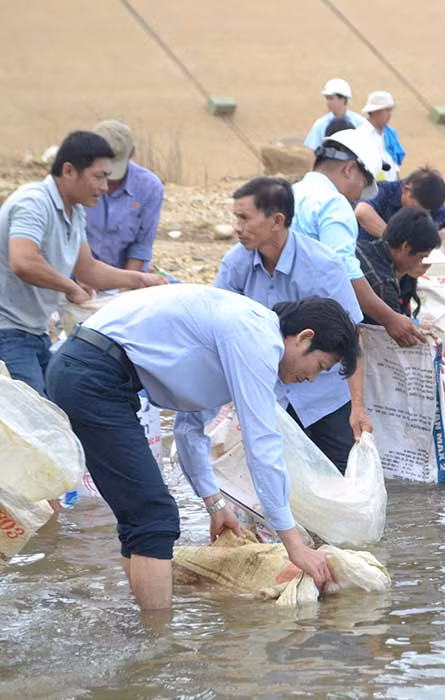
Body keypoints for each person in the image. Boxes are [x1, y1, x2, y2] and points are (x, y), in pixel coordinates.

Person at [45, 284, 359, 610]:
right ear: (304, 337)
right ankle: (159, 641)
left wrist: (215, 504)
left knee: (140, 517)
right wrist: (294, 544)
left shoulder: (238, 340)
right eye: (320, 366)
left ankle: (141, 628)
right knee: (154, 515)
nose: (311, 378)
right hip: (93, 373)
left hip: (88, 372)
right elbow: (262, 445)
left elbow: (189, 430)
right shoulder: (257, 336)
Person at [214, 176, 369, 473]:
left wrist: (358, 406)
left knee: (341, 478)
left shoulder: (323, 264)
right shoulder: (235, 264)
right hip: (270, 398)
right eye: (236, 217)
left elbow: (353, 338)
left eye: (245, 218)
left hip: (326, 396)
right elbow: (219, 330)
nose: (237, 227)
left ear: (276, 221)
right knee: (275, 480)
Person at [0, 131, 166, 395]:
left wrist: (141, 280)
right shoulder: (33, 202)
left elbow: (89, 269)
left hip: (36, 332)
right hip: (8, 332)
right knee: (36, 424)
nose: (104, 187)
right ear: (68, 171)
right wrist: (69, 287)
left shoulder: (75, 211)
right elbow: (23, 260)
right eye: (98, 177)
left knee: (60, 406)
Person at [290, 128, 425, 347]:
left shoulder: (293, 192)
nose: (359, 195)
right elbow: (343, 269)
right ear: (350, 169)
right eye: (363, 183)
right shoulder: (333, 203)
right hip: (313, 324)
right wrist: (389, 318)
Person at [85, 120, 164, 272]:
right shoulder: (78, 181)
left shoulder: (149, 187)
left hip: (125, 273)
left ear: (132, 153)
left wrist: (125, 287)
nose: (108, 181)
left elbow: (141, 246)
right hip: (79, 274)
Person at [356, 206, 442, 322]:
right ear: (406, 247)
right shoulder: (384, 285)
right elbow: (396, 335)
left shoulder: (361, 247)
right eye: (421, 257)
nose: (420, 263)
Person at [354, 166, 445, 243]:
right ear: (407, 191)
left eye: (427, 211)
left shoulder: (427, 201)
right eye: (420, 208)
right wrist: (392, 239)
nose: (422, 214)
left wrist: (441, 235)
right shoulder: (384, 191)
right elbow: (362, 211)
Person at [303, 78, 366, 151]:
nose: (327, 102)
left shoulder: (360, 123)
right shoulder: (320, 124)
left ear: (343, 99)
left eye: (331, 98)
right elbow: (313, 150)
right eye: (326, 98)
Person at [360, 91, 405, 182]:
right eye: (386, 110)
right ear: (374, 111)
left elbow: (394, 164)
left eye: (390, 110)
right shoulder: (362, 135)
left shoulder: (390, 134)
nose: (389, 114)